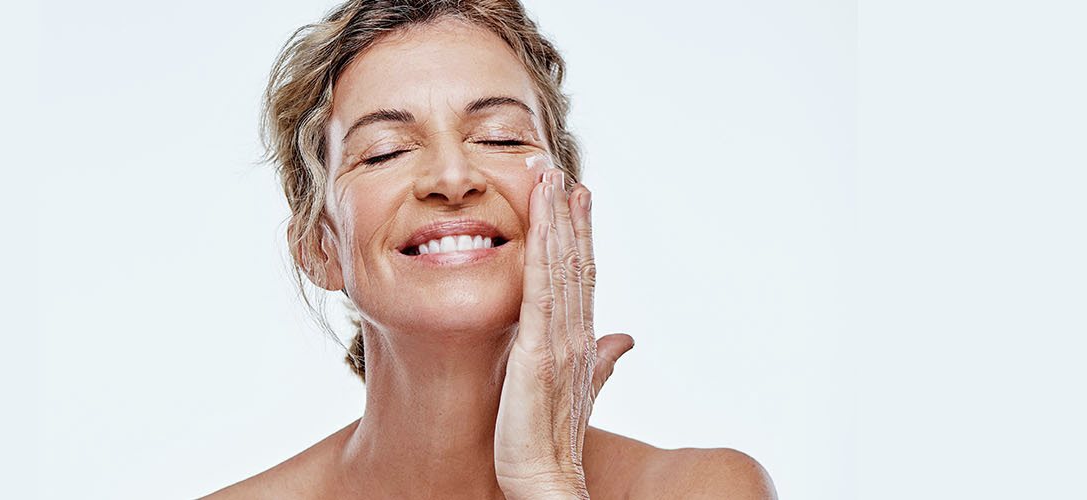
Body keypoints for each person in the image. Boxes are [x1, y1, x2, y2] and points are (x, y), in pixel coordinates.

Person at [208, 1, 776, 498]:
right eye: (384, 151)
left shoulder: (705, 490)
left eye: (499, 137)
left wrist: (547, 482)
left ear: (566, 202)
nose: (453, 177)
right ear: (320, 247)